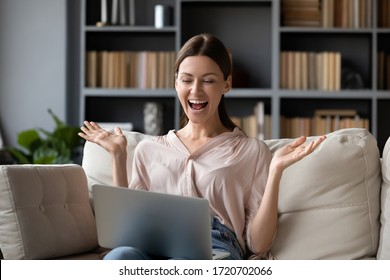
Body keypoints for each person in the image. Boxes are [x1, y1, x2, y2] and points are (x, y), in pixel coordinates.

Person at [79, 33, 326, 260]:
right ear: (176, 82)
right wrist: (118, 155)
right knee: (119, 258)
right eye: (186, 80)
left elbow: (259, 244)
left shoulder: (250, 151)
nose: (195, 91)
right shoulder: (149, 150)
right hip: (154, 244)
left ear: (226, 85)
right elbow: (126, 232)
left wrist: (275, 172)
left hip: (215, 246)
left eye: (208, 81)